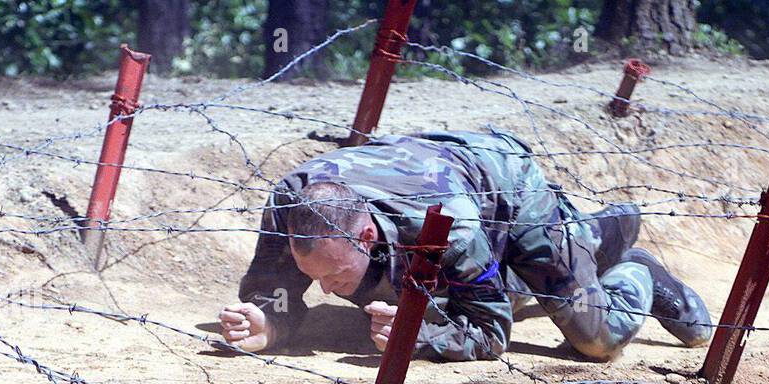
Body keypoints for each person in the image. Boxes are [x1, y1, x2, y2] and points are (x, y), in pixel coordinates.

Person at [219, 128, 712, 362]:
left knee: (594, 339)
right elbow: (271, 282)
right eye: (317, 277)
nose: (327, 292)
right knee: (438, 294)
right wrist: (270, 320)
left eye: (335, 277)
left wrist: (422, 337)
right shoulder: (294, 204)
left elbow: (490, 330)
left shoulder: (448, 224)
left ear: (366, 236)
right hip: (436, 196)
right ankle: (583, 242)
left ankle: (628, 261)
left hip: (509, 195)